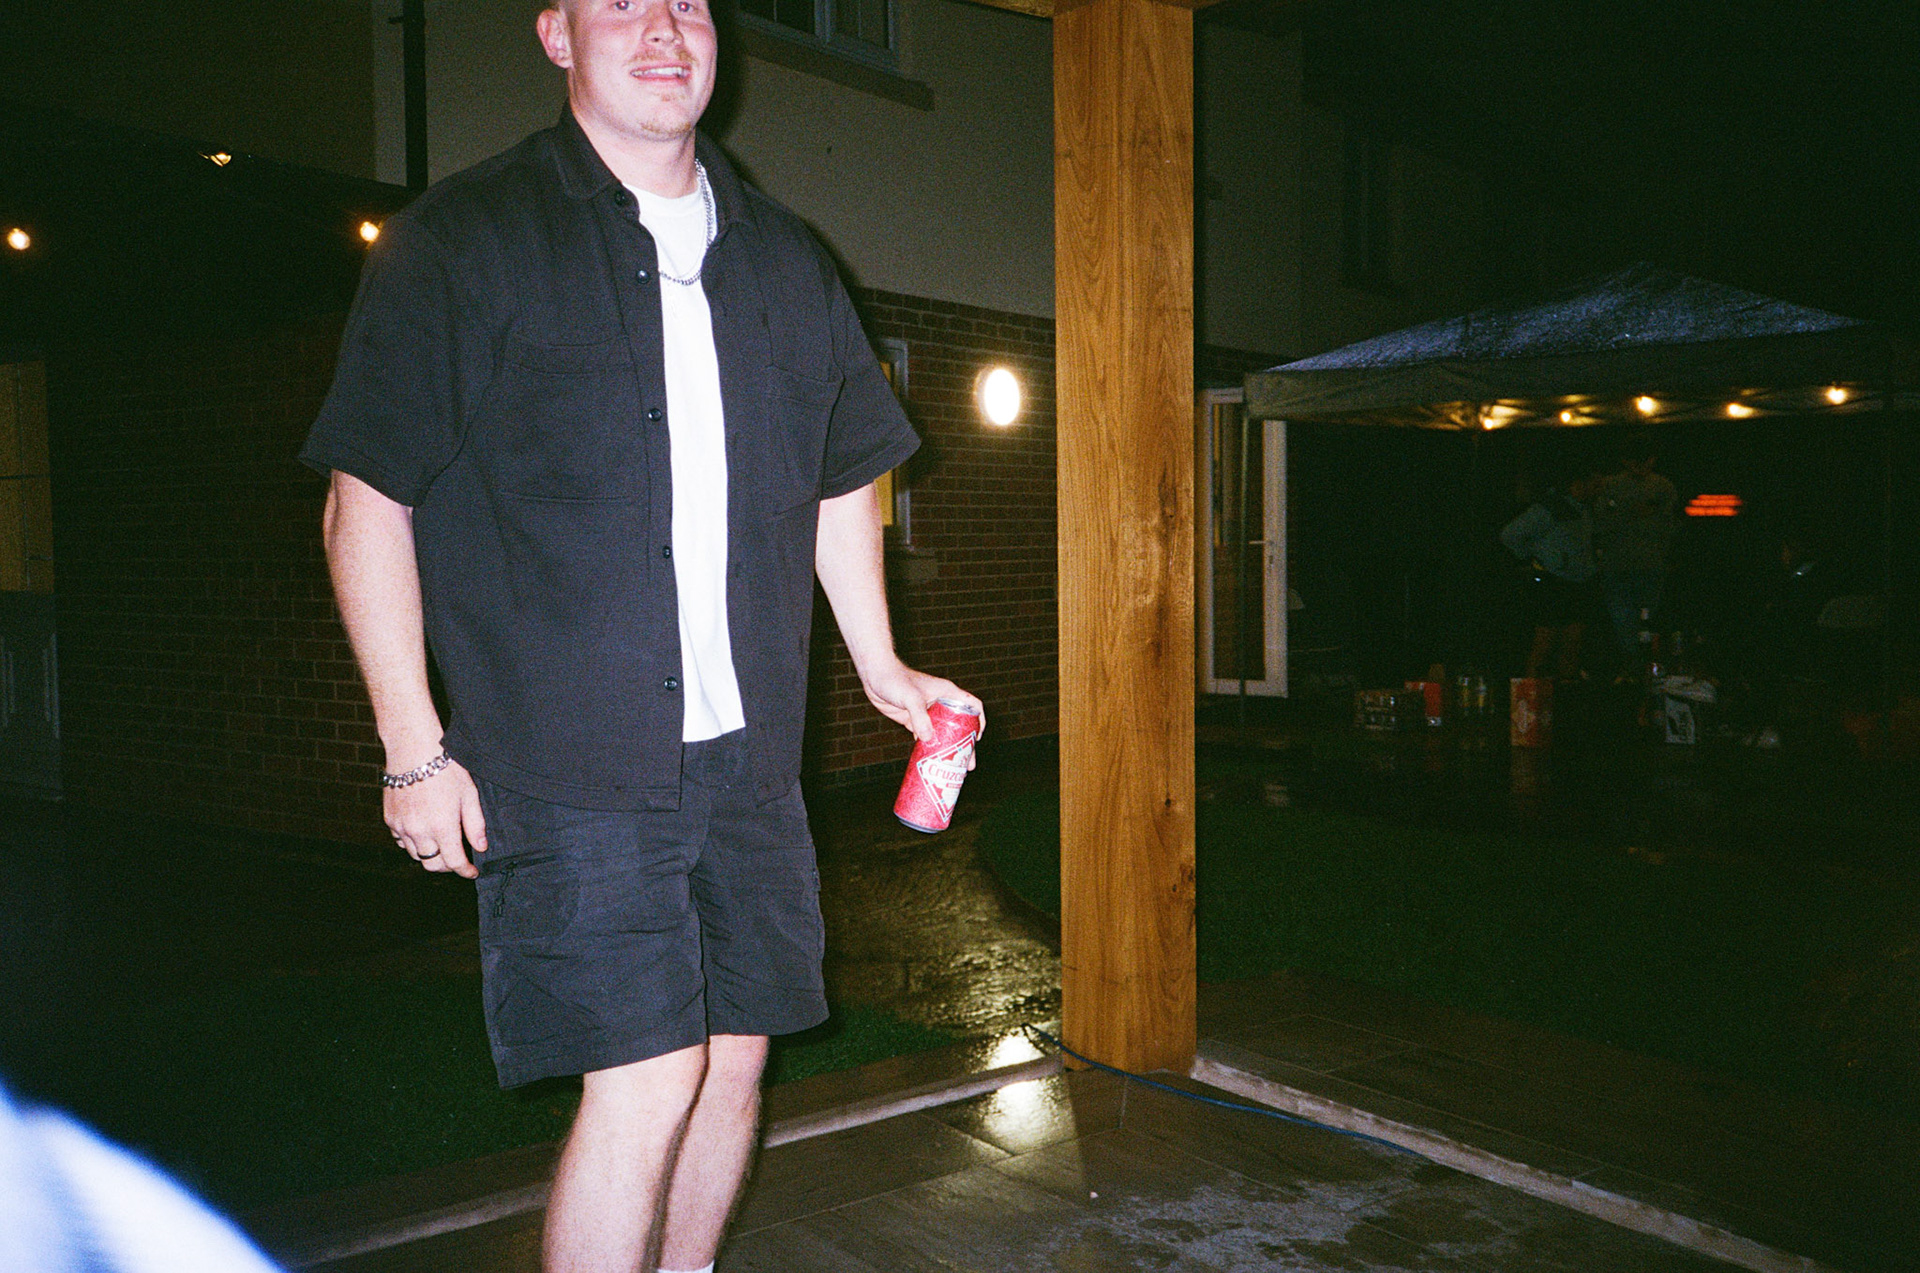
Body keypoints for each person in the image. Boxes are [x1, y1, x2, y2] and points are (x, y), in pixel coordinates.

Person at [300, 2, 981, 1269]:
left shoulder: (785, 257)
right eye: (621, 0)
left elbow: (842, 473)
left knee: (734, 1064)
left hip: (750, 765)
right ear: (557, 34)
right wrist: (412, 746)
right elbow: (365, 499)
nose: (666, 28)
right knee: (650, 1075)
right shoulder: (466, 238)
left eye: (689, 2)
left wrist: (881, 663)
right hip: (570, 763)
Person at [1499, 465, 1598, 679]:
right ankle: (1531, 691)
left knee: (1572, 643)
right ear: (1577, 484)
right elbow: (1510, 534)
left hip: (1579, 582)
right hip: (1553, 582)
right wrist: (1536, 556)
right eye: (1592, 482)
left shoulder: (1585, 509)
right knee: (1545, 642)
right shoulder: (1549, 508)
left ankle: (1565, 690)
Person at [1592, 449, 1678, 660]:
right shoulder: (1610, 485)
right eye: (1634, 461)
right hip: (1618, 564)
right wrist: (1629, 514)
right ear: (1625, 461)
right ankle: (1630, 660)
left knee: (1648, 618)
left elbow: (1670, 525)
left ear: (1652, 460)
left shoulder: (1663, 487)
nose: (1639, 466)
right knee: (1622, 618)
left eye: (1644, 460)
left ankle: (1646, 660)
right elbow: (1599, 521)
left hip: (1651, 564)